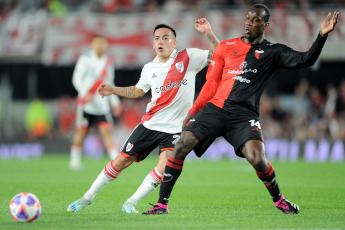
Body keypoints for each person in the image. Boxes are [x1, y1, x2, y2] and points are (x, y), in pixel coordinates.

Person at [143, 5, 339, 215]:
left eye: (255, 20)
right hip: (216, 109)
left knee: (258, 159)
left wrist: (321, 36)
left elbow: (306, 59)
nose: (248, 23)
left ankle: (279, 200)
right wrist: (193, 111)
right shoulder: (226, 47)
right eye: (247, 18)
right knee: (181, 145)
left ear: (265, 25)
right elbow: (211, 83)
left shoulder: (273, 52)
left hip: (244, 116)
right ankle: (162, 205)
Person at [67, 18, 219, 212]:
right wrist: (114, 90)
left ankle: (131, 202)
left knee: (165, 167)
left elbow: (218, 54)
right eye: (157, 38)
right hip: (150, 125)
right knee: (121, 161)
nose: (161, 42)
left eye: (166, 38)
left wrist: (208, 33)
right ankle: (88, 197)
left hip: (174, 129)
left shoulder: (188, 57)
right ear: (153, 44)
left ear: (174, 42)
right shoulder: (149, 68)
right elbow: (139, 91)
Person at [69, 35, 122, 170]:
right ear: (92, 45)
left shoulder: (108, 62)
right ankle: (74, 161)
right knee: (81, 132)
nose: (99, 46)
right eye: (97, 43)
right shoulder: (85, 60)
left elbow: (110, 83)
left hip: (102, 105)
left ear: (106, 45)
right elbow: (76, 79)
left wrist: (115, 101)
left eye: (102, 43)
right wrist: (84, 93)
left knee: (107, 131)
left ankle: (116, 163)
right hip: (86, 105)